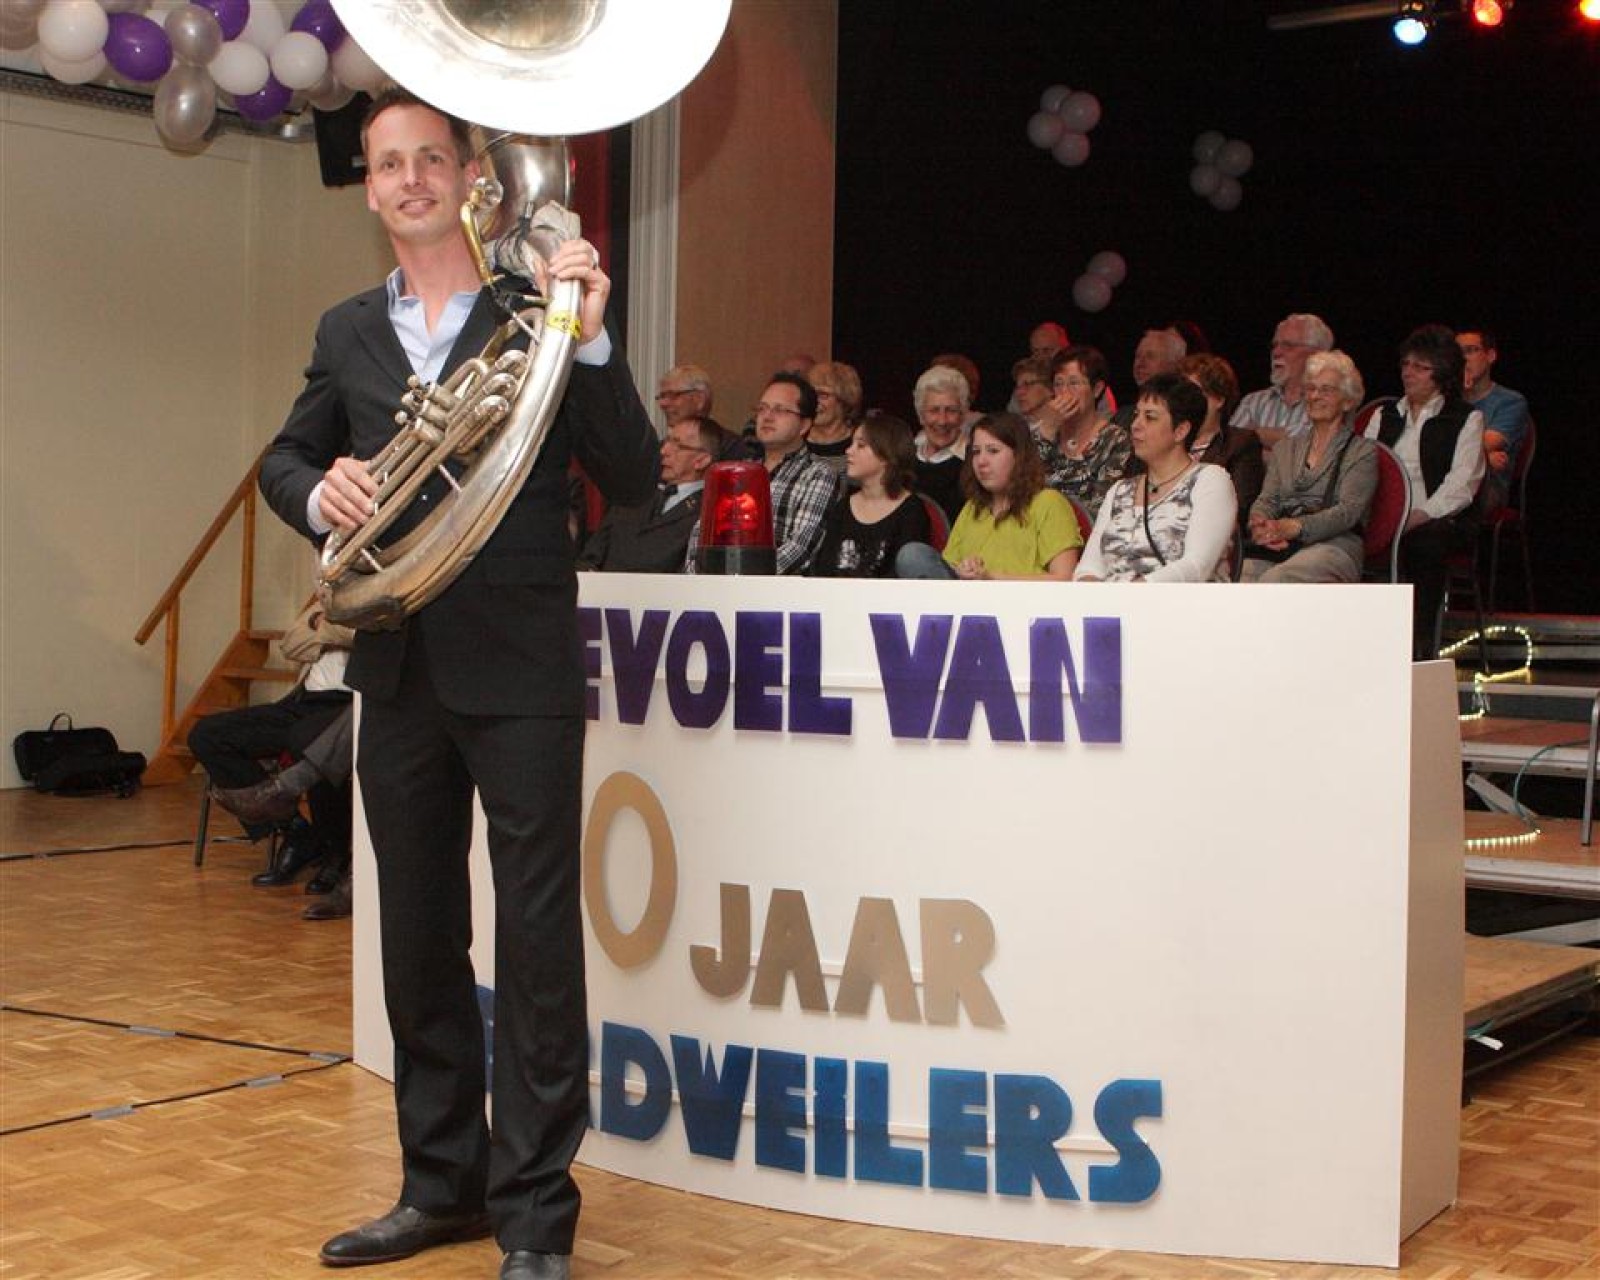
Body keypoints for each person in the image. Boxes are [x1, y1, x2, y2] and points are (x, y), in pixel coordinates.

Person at [256, 89, 659, 1280]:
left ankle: (534, 1214)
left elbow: (634, 472)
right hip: (398, 663)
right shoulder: (347, 330)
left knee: (536, 941)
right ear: (370, 189)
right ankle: (441, 1186)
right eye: (390, 164)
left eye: (432, 157)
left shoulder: (537, 313)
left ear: (472, 177)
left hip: (522, 662)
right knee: (418, 935)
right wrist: (315, 491)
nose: (412, 179)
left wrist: (590, 337)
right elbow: (284, 456)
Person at [189, 600, 353, 892]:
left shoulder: (381, 592)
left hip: (351, 709)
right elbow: (291, 645)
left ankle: (336, 850)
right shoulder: (329, 596)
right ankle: (294, 829)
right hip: (303, 703)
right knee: (207, 735)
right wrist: (331, 625)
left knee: (310, 742)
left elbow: (364, 636)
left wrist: (321, 626)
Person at [1364, 324, 1485, 659]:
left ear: (1441, 373)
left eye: (1420, 367)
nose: (1408, 373)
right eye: (1406, 364)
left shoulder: (1465, 419)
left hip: (1435, 518)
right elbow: (1363, 468)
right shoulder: (1384, 415)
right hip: (1383, 515)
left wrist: (1421, 515)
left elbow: (1462, 483)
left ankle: (1418, 650)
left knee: (1426, 544)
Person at [1075, 374, 1237, 583]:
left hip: (1181, 602)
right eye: (1136, 415)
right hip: (1114, 601)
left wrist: (1133, 592)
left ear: (1180, 431)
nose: (1135, 425)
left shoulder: (1210, 481)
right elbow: (1088, 567)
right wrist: (1091, 589)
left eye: (1150, 417)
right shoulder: (1119, 490)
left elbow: (1197, 566)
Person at [1243, 350, 1378, 583]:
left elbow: (1348, 512)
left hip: (1335, 547)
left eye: (1326, 390)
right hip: (1283, 546)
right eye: (1310, 388)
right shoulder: (1285, 449)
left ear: (1347, 401)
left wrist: (1296, 527)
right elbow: (1268, 499)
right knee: (1237, 577)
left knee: (1276, 580)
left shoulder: (1362, 451)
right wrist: (1260, 524)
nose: (1315, 396)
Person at [896, 412, 1082, 580]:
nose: (981, 461)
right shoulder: (973, 507)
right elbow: (949, 568)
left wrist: (991, 577)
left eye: (993, 451)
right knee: (913, 556)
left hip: (1022, 605)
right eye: (976, 452)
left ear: (1019, 456)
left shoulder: (1049, 502)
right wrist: (965, 569)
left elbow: (1063, 579)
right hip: (964, 602)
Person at [686, 371, 839, 574]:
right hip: (716, 585)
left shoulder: (817, 473)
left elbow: (801, 547)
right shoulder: (737, 473)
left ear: (804, 424)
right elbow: (701, 532)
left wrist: (745, 578)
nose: (767, 417)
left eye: (780, 410)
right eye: (762, 408)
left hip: (776, 588)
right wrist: (697, 577)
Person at [578, 417, 727, 573]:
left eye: (678, 445)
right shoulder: (634, 496)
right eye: (666, 441)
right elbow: (590, 557)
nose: (663, 451)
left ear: (701, 460)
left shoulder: (711, 512)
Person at [810, 413, 931, 577]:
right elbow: (824, 569)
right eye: (851, 444)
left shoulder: (911, 511)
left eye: (860, 445)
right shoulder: (843, 507)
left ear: (886, 455)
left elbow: (903, 575)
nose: (848, 451)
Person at [1038, 345, 1131, 519]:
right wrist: (1046, 433)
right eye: (1058, 384)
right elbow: (1023, 488)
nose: (1065, 392)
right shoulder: (1045, 434)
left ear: (1097, 389)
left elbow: (1098, 506)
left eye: (1074, 383)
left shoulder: (1114, 439)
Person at [1179, 352, 1265, 530]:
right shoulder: (1169, 440)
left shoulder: (1241, 443)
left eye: (1194, 392)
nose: (1185, 401)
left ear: (1218, 399)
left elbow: (1239, 507)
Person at [1230, 313, 1334, 450]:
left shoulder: (1332, 400)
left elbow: (1314, 444)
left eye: (1288, 346)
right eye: (1274, 345)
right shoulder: (1253, 402)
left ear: (1316, 354)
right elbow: (1230, 448)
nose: (1276, 352)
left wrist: (1254, 438)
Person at [1457, 327, 1532, 510]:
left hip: (1487, 489)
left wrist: (1483, 455)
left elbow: (1484, 444)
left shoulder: (1511, 401)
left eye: (1470, 350)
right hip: (1445, 477)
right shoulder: (1447, 399)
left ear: (1490, 356)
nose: (1463, 359)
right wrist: (1486, 457)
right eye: (1457, 353)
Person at [910, 363, 973, 524]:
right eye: (934, 410)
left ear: (963, 415)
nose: (942, 421)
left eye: (951, 410)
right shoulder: (904, 456)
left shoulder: (974, 462)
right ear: (920, 415)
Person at [806, 360, 864, 475]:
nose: (814, 401)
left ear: (845, 399)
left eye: (823, 395)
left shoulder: (861, 442)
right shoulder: (794, 440)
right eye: (810, 394)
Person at [654, 363, 713, 431]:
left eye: (672, 395)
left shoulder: (718, 437)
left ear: (699, 400)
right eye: (662, 396)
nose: (663, 403)